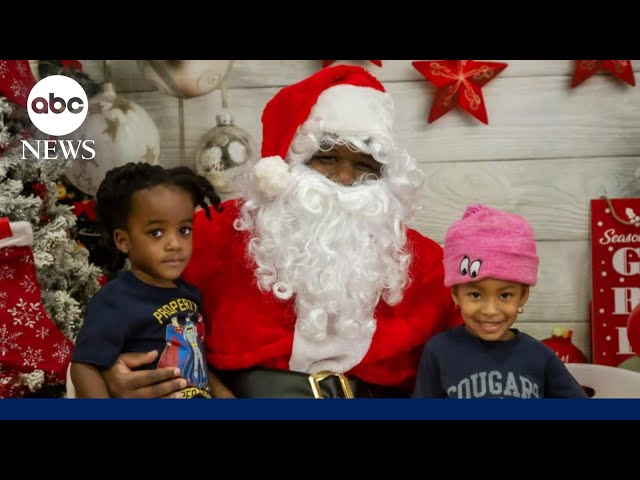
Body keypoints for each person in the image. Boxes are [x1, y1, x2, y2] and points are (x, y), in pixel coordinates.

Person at [101, 64, 462, 398]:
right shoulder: (215, 233)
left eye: (365, 165)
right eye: (328, 158)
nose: (345, 179)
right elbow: (134, 300)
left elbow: (475, 349)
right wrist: (115, 369)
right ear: (289, 162)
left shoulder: (421, 263)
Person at [69, 162, 230, 399]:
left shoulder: (190, 294)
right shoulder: (115, 300)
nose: (174, 244)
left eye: (184, 230)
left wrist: (224, 395)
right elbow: (84, 366)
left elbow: (197, 356)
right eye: (156, 232)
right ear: (123, 241)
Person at [412, 204, 588, 399]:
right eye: (475, 295)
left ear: (522, 296)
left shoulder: (540, 355)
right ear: (455, 294)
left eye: (505, 295)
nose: (490, 310)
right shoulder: (438, 352)